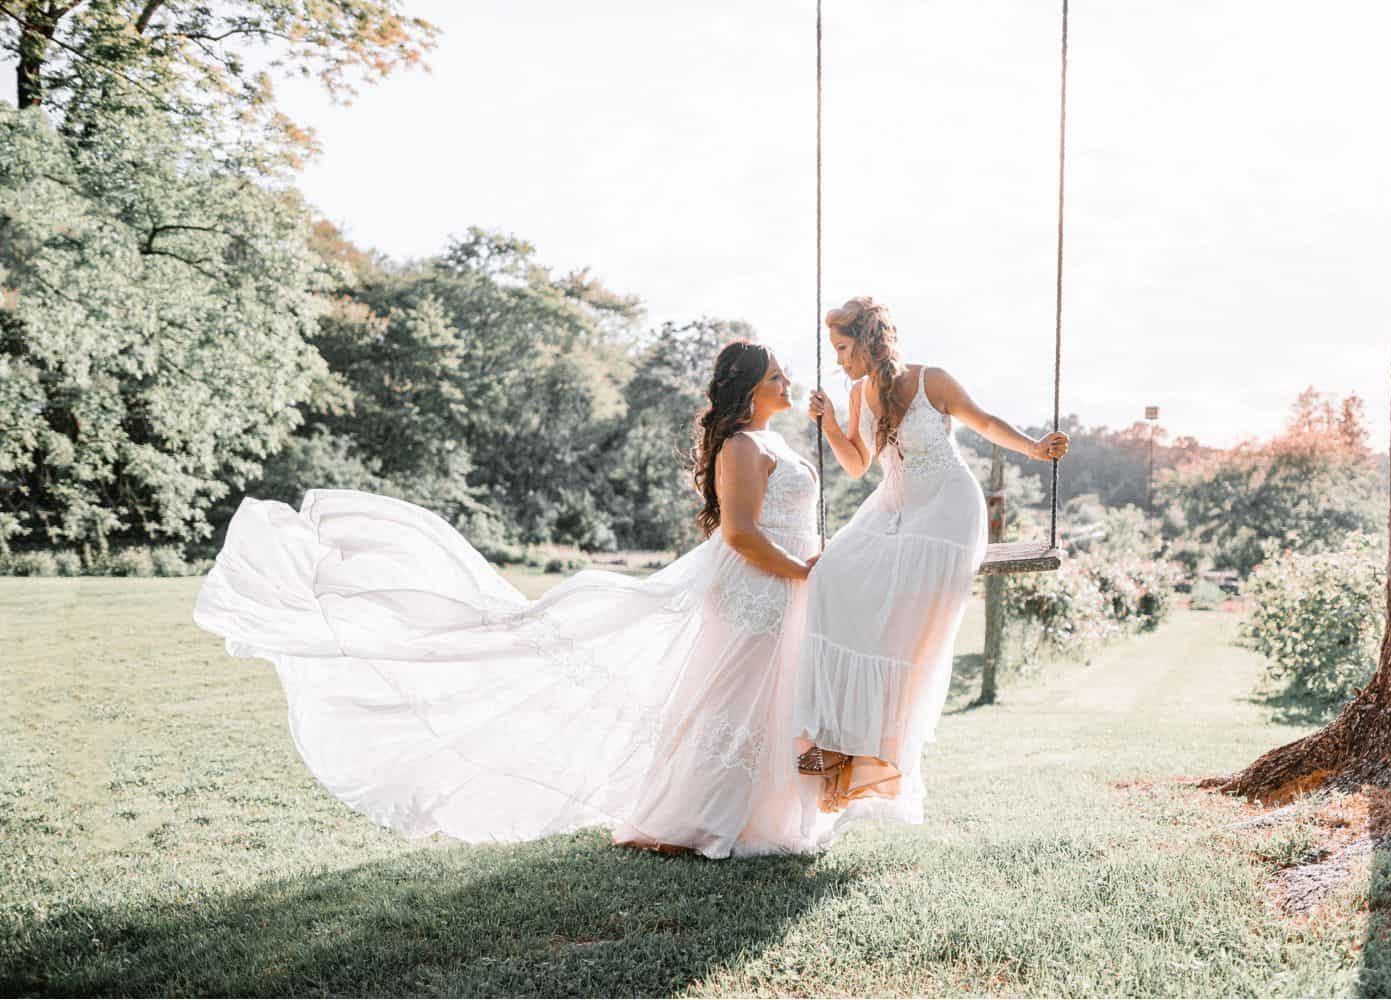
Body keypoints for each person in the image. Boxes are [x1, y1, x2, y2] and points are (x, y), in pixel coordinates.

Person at [194, 340, 828, 858]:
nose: (788, 382)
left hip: (783, 589)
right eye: (778, 376)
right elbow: (740, 534)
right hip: (757, 590)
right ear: (749, 389)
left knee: (769, 706)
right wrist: (802, 572)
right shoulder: (743, 446)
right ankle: (695, 822)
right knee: (733, 703)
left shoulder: (778, 443)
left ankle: (761, 821)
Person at [796, 296, 1069, 821]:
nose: (839, 360)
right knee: (829, 578)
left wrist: (1034, 449)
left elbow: (984, 421)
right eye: (835, 350)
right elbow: (856, 465)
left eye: (844, 347)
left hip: (946, 511)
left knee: (899, 626)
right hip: (894, 506)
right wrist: (830, 423)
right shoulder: (857, 391)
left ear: (870, 340)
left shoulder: (931, 380)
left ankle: (877, 750)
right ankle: (840, 738)